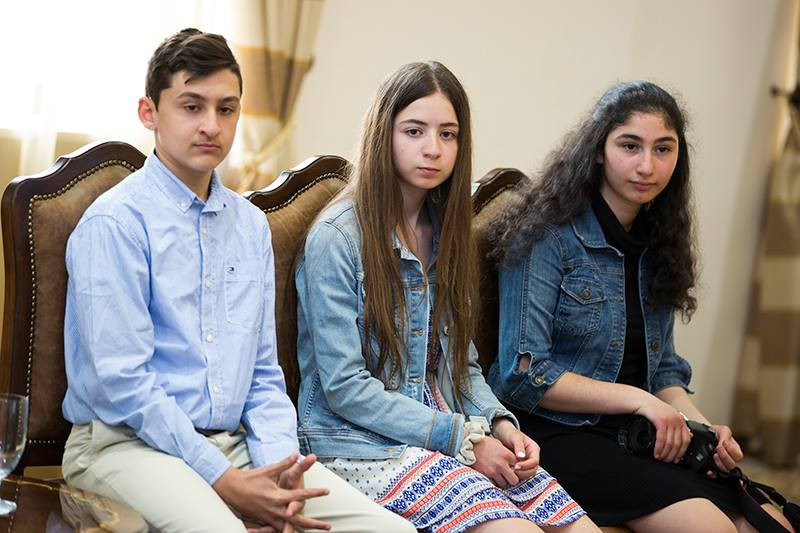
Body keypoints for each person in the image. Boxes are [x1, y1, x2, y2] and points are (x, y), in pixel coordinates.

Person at [61, 28, 414, 533]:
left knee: (392, 531)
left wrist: (281, 472)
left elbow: (263, 373)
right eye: (192, 106)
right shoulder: (115, 223)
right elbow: (123, 385)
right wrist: (224, 481)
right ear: (149, 112)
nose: (211, 125)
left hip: (235, 446)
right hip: (124, 445)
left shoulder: (249, 226)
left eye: (226, 109)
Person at [294, 61, 598, 533]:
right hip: (360, 445)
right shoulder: (338, 238)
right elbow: (344, 387)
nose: (433, 149)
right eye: (414, 131)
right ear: (383, 134)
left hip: (448, 430)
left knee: (577, 527)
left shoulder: (445, 233)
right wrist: (463, 439)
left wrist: (500, 426)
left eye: (448, 134)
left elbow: (460, 366)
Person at [487, 80, 795, 533]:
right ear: (598, 150)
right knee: (711, 527)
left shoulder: (659, 240)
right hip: (554, 434)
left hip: (634, 434)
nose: (647, 165)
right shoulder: (545, 235)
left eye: (663, 149)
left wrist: (705, 429)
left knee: (771, 522)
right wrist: (641, 401)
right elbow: (522, 373)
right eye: (630, 146)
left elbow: (664, 369)